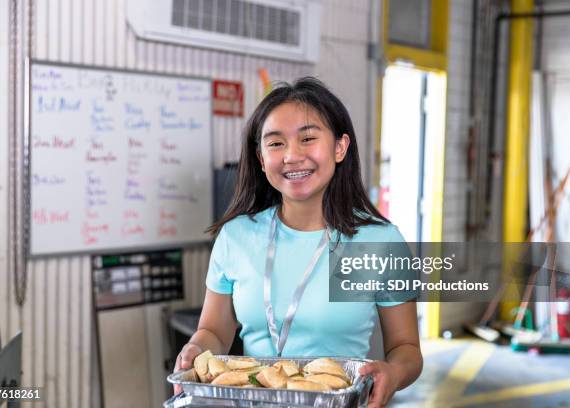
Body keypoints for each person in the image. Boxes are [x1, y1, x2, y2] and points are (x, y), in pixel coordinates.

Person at [173, 77, 422, 406]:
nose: (292, 155)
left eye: (307, 138)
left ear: (339, 147)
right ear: (262, 159)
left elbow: (406, 348)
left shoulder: (380, 241)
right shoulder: (236, 236)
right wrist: (196, 349)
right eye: (275, 144)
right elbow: (215, 332)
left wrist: (394, 373)